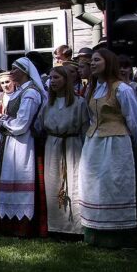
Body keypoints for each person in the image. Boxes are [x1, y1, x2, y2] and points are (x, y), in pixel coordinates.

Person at [79, 49, 137, 247]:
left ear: (108, 63)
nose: (92, 63)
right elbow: (92, 117)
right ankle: (94, 233)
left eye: (97, 60)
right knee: (94, 186)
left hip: (115, 143)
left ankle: (118, 236)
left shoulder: (122, 89)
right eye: (91, 60)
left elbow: (136, 121)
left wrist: (129, 143)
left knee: (114, 185)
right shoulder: (93, 88)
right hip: (94, 143)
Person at [0, 58, 44, 237]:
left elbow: (22, 123)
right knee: (8, 176)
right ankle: (7, 223)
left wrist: (2, 124)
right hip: (11, 142)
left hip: (23, 144)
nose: (11, 72)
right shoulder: (21, 91)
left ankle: (22, 225)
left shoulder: (30, 93)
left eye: (15, 69)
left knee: (20, 176)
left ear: (25, 71)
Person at [38, 65, 87, 237]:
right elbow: (39, 126)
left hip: (72, 146)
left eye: (57, 78)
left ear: (66, 80)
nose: (52, 81)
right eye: (50, 78)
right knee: (54, 185)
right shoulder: (47, 104)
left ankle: (76, 228)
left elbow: (85, 127)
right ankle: (57, 227)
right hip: (53, 146)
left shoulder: (79, 102)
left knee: (74, 184)